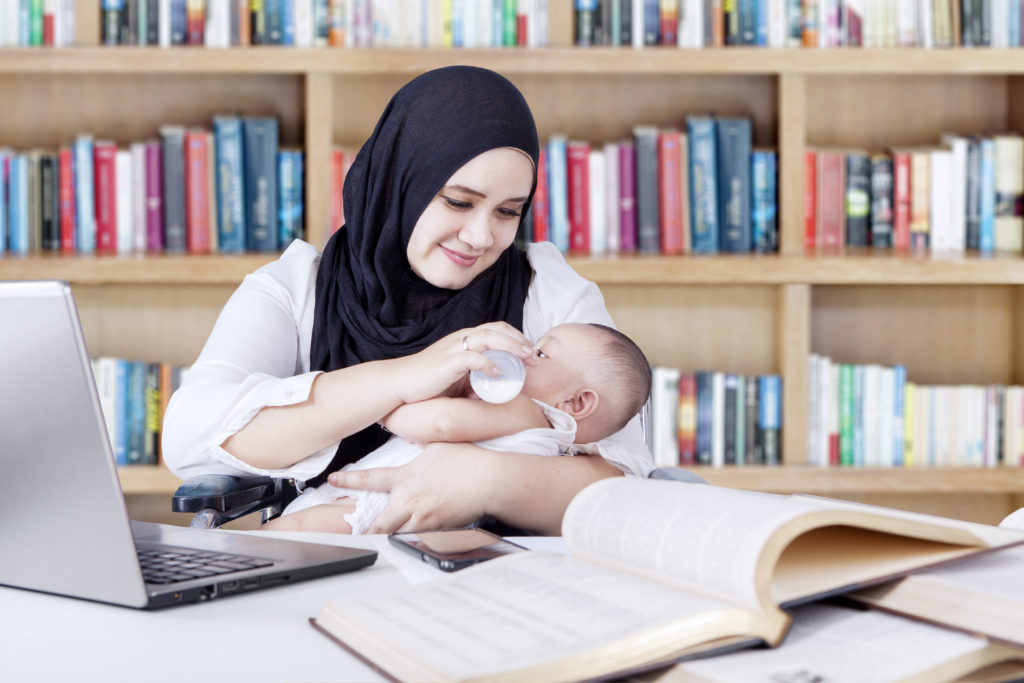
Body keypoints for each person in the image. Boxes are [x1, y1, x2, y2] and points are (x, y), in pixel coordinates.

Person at [162, 65, 653, 536]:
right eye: (458, 202)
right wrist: (401, 377)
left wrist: (484, 481)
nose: (481, 235)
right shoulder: (294, 289)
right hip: (328, 567)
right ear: (400, 182)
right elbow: (189, 442)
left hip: (504, 579)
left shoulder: (550, 291)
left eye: (508, 212)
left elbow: (625, 478)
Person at [264, 322, 652, 534]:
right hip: (400, 504)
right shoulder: (550, 438)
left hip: (384, 501)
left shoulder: (528, 413)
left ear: (576, 404)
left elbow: (441, 423)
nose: (525, 351)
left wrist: (386, 406)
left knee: (288, 539)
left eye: (542, 353)